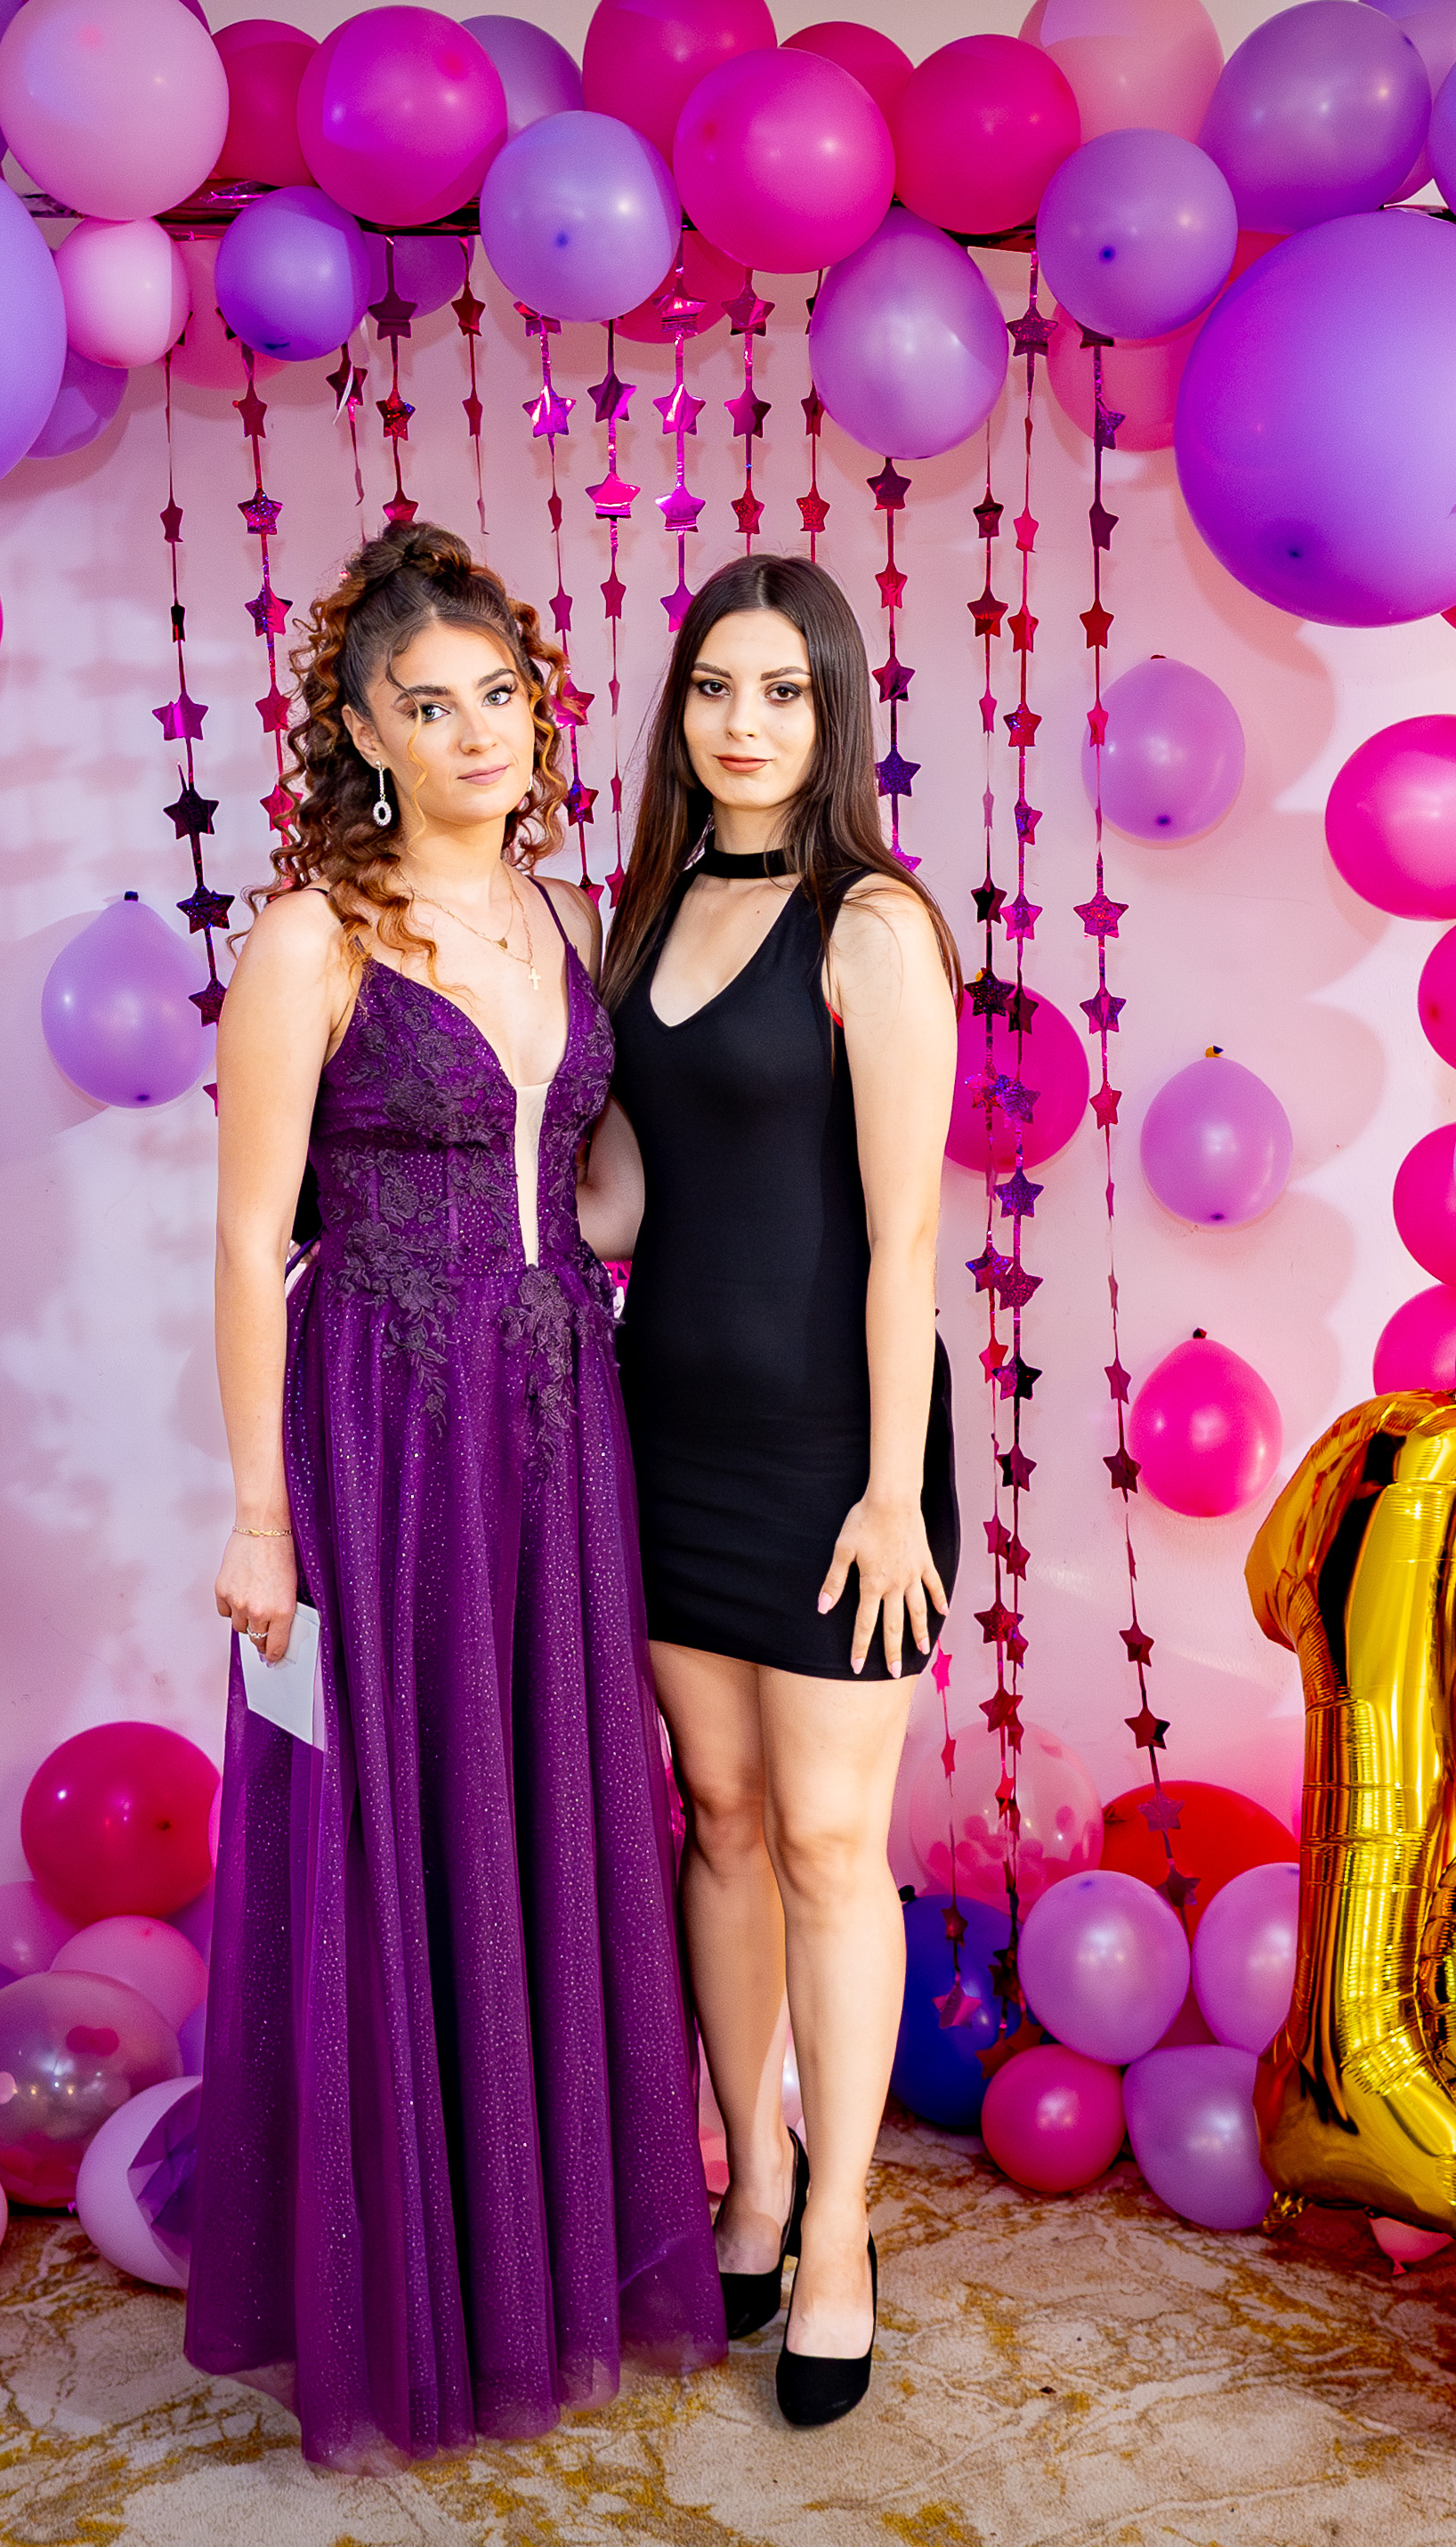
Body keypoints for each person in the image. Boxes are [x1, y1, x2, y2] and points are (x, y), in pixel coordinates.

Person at [194, 523, 723, 2465]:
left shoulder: (563, 915)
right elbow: (248, 1241)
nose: (479, 732)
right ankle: (415, 2281)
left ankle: (546, 2254)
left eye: (500, 695)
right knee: (400, 1819)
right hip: (383, 1423)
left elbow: (588, 1186)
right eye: (430, 706)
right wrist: (261, 1514)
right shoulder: (312, 938)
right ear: (362, 731)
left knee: (550, 1803)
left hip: (558, 1407)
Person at [583, 554, 959, 2429]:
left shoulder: (870, 923)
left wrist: (891, 1493)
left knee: (823, 1839)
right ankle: (748, 2175)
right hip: (664, 1433)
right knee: (719, 1820)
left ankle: (835, 2233)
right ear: (679, 713)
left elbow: (905, 1239)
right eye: (715, 688)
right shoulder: (639, 915)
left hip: (830, 1453)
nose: (744, 723)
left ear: (833, 712)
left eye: (782, 691)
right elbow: (624, 1202)